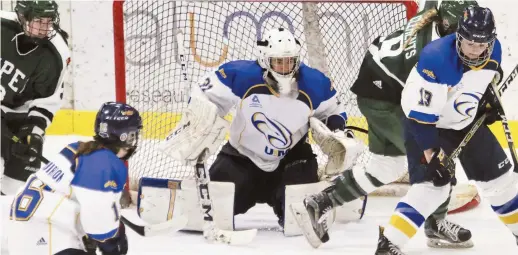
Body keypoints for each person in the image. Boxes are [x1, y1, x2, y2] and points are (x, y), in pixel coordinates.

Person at [292, 0, 488, 248]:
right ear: (449, 25)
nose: (470, 37)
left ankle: (320, 202)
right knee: (438, 159)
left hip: (375, 86)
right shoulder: (430, 53)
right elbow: (429, 109)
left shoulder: (434, 14)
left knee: (386, 165)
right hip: (388, 99)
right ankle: (435, 224)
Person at [160, 27, 366, 229]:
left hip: (292, 159)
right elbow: (204, 94)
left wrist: (337, 130)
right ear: (265, 59)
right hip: (241, 157)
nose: (285, 67)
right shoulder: (241, 76)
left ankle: (324, 191)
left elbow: (333, 112)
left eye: (290, 61)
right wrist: (201, 117)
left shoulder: (314, 83)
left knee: (299, 219)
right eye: (278, 61)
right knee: (214, 211)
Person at [375, 6, 515, 254]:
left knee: (502, 182)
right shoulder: (437, 59)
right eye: (469, 42)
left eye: (482, 44)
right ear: (458, 36)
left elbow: (480, 81)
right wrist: (431, 153)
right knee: (432, 188)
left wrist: (484, 101)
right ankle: (389, 244)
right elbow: (420, 116)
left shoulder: (495, 52)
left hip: (465, 123)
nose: (475, 50)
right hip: (427, 127)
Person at [8, 102, 143, 255]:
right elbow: (97, 216)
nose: (134, 141)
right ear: (124, 136)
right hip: (47, 238)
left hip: (25, 236)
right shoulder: (102, 162)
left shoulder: (78, 148)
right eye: (133, 135)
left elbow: (82, 201)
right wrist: (111, 242)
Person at [1, 0, 71, 195]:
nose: (45, 28)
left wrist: (34, 133)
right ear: (23, 16)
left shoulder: (56, 54)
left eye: (49, 21)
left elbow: (47, 100)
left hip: (19, 116)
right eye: (39, 21)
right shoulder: (2, 27)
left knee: (16, 188)